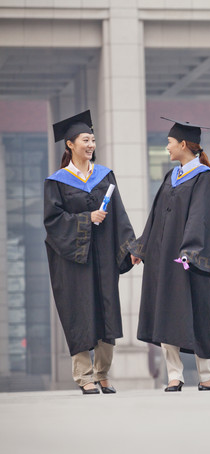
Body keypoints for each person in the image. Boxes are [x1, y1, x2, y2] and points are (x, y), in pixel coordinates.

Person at [44, 110, 135, 394]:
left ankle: (102, 373)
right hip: (74, 261)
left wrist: (131, 248)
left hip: (104, 257)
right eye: (85, 140)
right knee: (79, 313)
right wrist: (87, 219)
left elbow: (119, 215)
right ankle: (84, 376)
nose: (91, 145)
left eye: (93, 140)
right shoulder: (57, 182)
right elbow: (53, 223)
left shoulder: (105, 176)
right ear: (70, 144)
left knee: (107, 311)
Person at [130, 117, 210, 392]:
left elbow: (200, 217)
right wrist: (141, 248)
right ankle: (175, 375)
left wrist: (190, 251)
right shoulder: (171, 176)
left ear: (183, 144)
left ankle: (205, 374)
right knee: (166, 313)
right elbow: (156, 215)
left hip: (188, 260)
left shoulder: (204, 177)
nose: (166, 148)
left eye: (169, 143)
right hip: (163, 258)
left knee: (199, 314)